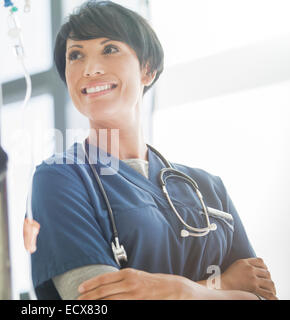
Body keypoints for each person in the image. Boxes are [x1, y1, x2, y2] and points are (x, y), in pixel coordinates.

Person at [23, 0, 277, 300]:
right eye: (75, 55)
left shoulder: (209, 189)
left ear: (148, 69)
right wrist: (213, 288)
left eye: (109, 49)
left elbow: (263, 295)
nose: (89, 69)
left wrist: (177, 291)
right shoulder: (60, 178)